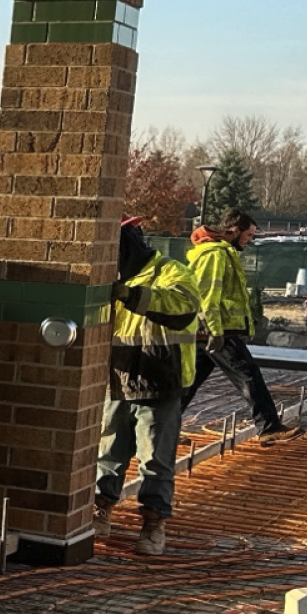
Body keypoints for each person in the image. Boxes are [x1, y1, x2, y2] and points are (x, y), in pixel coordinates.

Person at [97, 218, 200, 557]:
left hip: (158, 381)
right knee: (107, 453)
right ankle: (100, 508)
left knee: (155, 460)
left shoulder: (169, 272)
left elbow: (183, 306)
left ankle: (154, 523)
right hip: (118, 379)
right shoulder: (112, 278)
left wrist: (133, 295)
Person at [184, 210, 291, 437]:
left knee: (187, 385)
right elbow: (206, 295)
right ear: (235, 230)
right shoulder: (215, 255)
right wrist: (215, 331)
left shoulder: (223, 253)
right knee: (248, 375)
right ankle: (269, 428)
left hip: (210, 331)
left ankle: (159, 431)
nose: (249, 240)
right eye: (248, 235)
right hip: (219, 330)